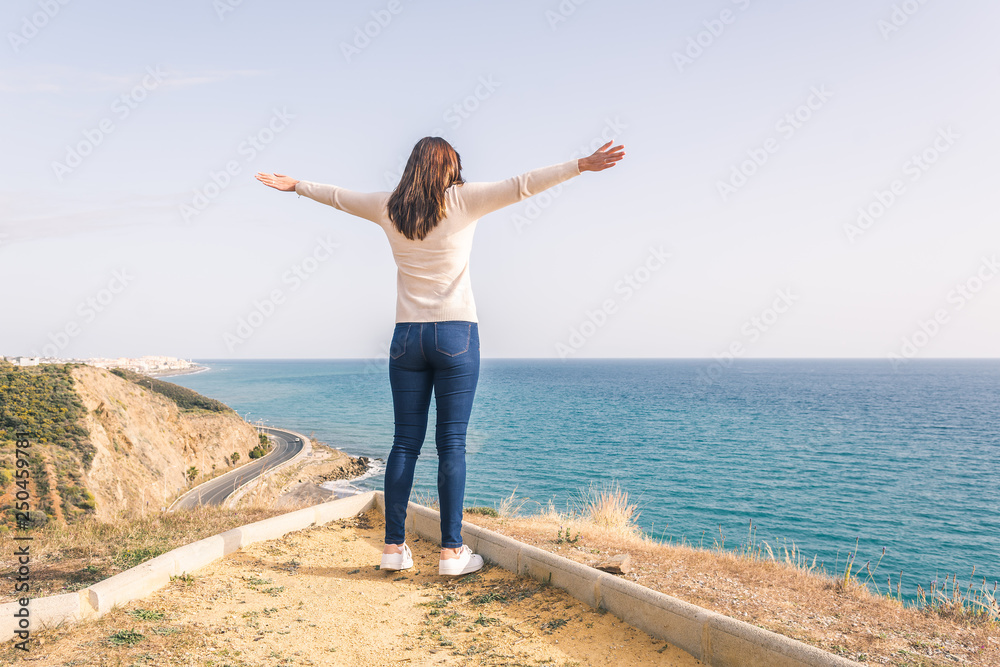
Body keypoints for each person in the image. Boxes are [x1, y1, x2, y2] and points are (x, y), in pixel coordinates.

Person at [256, 136, 625, 576]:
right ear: (448, 167)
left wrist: (297, 185)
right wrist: (580, 165)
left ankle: (393, 548)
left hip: (407, 337)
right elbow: (523, 184)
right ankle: (451, 553)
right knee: (451, 442)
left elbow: (338, 198)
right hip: (456, 334)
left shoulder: (389, 206)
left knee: (404, 443)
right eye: (456, 165)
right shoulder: (464, 201)